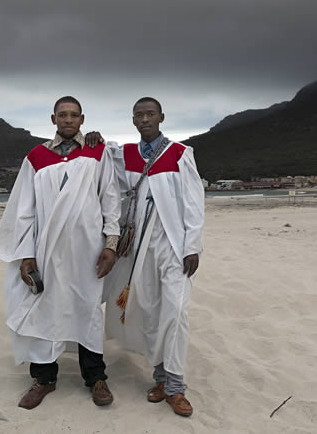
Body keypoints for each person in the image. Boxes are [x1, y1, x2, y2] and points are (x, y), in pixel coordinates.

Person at [0, 96, 121, 409]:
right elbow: (25, 210)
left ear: (82, 119)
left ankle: (96, 377)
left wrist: (110, 244)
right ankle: (44, 379)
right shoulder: (36, 157)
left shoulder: (97, 151)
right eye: (62, 115)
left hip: (86, 249)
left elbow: (111, 198)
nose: (68, 120)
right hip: (46, 250)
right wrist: (26, 254)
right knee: (44, 308)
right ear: (53, 119)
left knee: (87, 308)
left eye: (74, 115)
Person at [102, 97, 205, 417]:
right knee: (147, 309)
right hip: (137, 249)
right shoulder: (126, 155)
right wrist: (88, 136)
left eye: (150, 114)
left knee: (175, 312)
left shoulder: (179, 154)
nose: (145, 119)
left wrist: (192, 246)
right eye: (139, 115)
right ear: (133, 120)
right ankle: (160, 377)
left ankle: (175, 386)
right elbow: (99, 163)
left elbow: (193, 202)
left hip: (172, 246)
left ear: (161, 117)